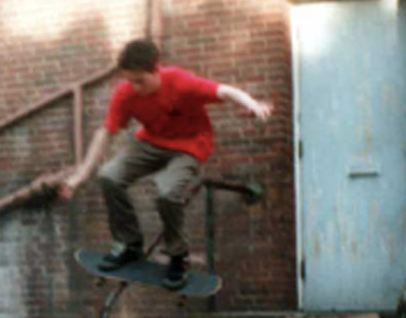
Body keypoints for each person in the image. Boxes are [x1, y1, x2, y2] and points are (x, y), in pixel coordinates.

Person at [59, 39, 272, 289]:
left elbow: (224, 91)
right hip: (151, 143)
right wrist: (81, 175)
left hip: (189, 146)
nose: (135, 87)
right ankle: (129, 244)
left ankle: (178, 256)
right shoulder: (125, 93)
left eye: (141, 81)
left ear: (155, 69)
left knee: (167, 193)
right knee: (109, 175)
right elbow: (105, 132)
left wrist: (253, 105)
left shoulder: (180, 82)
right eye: (130, 81)